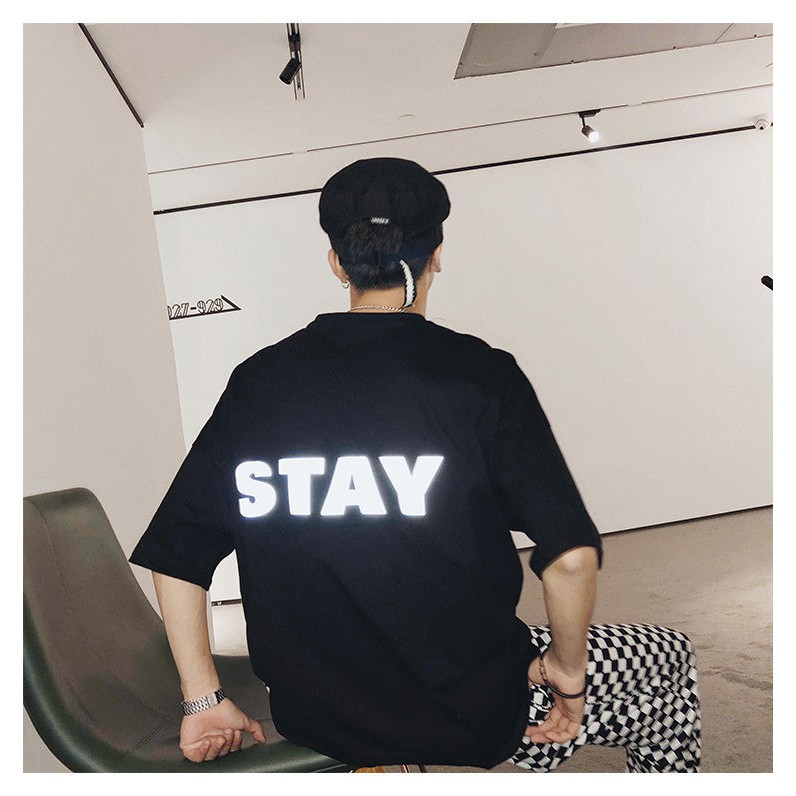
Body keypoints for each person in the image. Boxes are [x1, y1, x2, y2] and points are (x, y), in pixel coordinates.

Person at [129, 157, 701, 772]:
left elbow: (178, 552)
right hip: (473, 706)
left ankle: (382, 762)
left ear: (336, 263)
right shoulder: (481, 375)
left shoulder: (258, 383)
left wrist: (203, 699)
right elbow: (571, 560)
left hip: (317, 712)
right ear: (436, 256)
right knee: (670, 663)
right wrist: (567, 670)